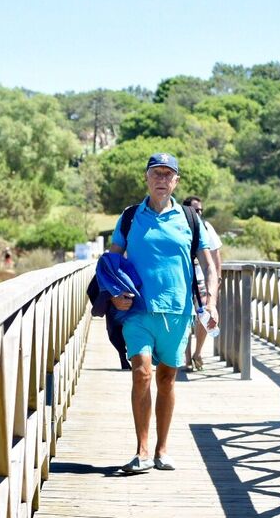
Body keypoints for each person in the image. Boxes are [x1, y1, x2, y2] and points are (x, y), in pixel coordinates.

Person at [109, 153, 219, 473]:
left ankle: (162, 449)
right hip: (138, 310)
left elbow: (210, 266)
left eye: (167, 174)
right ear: (146, 178)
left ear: (176, 181)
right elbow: (112, 262)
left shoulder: (189, 219)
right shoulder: (130, 217)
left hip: (177, 312)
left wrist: (210, 302)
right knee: (141, 372)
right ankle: (142, 450)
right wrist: (115, 294)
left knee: (167, 380)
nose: (161, 179)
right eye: (155, 173)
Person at [182, 196, 223, 371]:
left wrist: (217, 279)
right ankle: (186, 358)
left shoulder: (206, 227)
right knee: (184, 318)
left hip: (202, 279)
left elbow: (215, 255)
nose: (199, 213)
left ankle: (197, 352)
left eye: (201, 210)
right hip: (183, 279)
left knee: (204, 315)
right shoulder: (179, 225)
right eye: (195, 210)